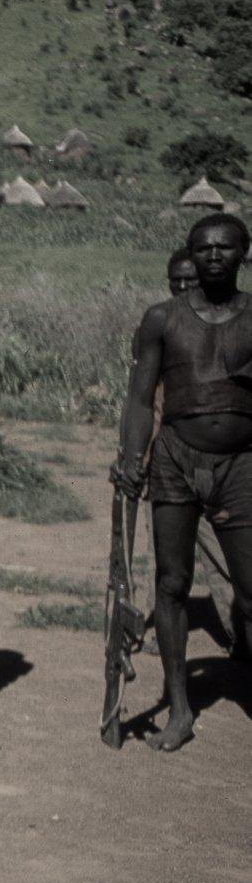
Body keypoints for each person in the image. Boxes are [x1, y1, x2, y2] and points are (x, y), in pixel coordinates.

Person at [113, 214, 252, 750]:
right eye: (203, 248)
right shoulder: (160, 320)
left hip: (241, 464)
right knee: (170, 586)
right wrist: (130, 459)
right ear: (190, 256)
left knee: (251, 591)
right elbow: (140, 398)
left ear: (244, 253)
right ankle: (179, 708)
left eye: (225, 247)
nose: (213, 256)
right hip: (173, 460)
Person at [152, 248, 244, 660]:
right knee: (173, 570)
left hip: (222, 463)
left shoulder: (227, 327)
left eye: (190, 280)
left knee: (228, 561)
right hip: (170, 460)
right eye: (177, 281)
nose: (184, 287)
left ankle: (237, 636)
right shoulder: (163, 324)